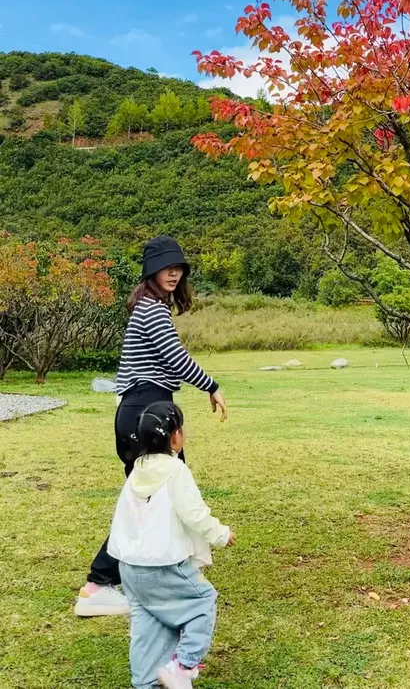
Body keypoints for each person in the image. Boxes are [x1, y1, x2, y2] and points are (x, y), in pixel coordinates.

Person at [75, 235, 227, 618]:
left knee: (157, 496)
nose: (173, 274)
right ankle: (98, 584)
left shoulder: (150, 308)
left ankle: (175, 569)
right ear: (151, 272)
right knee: (155, 497)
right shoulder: (152, 310)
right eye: (166, 268)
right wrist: (212, 386)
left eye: (178, 268)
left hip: (145, 408)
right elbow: (175, 357)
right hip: (146, 408)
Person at [107, 400, 235, 689]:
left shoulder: (137, 469)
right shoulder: (175, 470)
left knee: (147, 623)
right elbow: (193, 513)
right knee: (202, 602)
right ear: (175, 436)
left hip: (130, 566)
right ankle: (182, 665)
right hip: (162, 565)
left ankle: (145, 682)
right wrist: (220, 534)